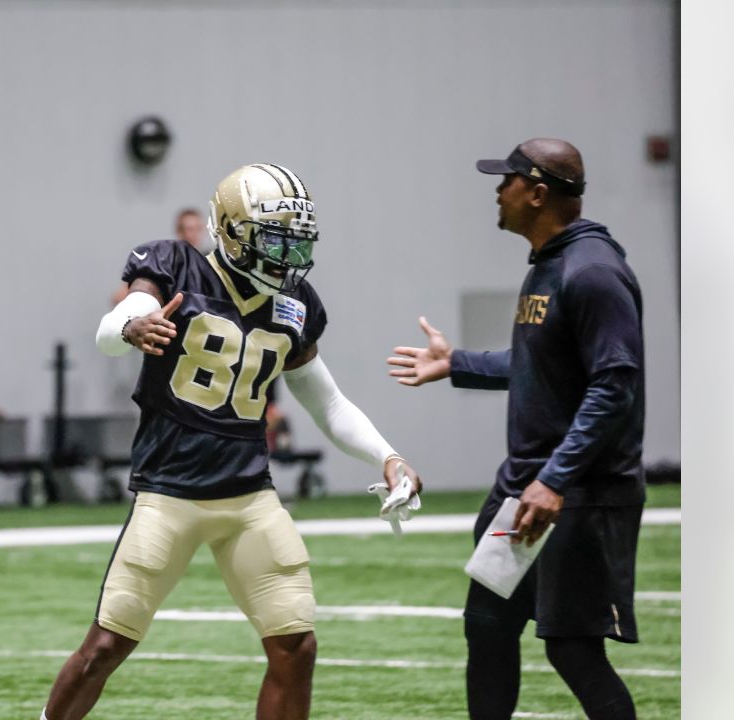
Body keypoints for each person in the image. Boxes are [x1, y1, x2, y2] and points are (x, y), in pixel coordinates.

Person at [43, 164, 421, 720]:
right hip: (169, 494)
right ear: (234, 230)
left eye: (298, 244)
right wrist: (129, 328)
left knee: (296, 645)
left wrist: (388, 456)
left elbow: (329, 403)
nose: (290, 259)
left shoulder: (296, 303)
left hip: (248, 497)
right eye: (276, 241)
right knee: (106, 646)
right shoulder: (174, 263)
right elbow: (121, 319)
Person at [387, 139, 645, 720]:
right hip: (523, 493)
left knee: (573, 650)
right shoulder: (552, 266)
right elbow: (540, 364)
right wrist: (454, 363)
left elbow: (614, 386)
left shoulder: (594, 273)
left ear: (537, 193)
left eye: (506, 180)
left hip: (575, 496)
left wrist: (554, 481)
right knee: (488, 627)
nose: (496, 190)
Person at [108, 207, 208, 306]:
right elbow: (119, 297)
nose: (195, 234)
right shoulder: (161, 262)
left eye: (198, 229)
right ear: (179, 232)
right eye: (190, 229)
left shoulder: (208, 264)